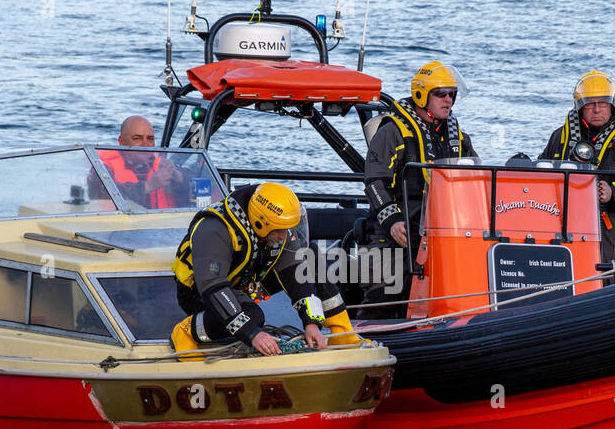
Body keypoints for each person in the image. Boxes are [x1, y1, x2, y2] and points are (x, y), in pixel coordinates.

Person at [170, 183, 359, 356]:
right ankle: (186, 330)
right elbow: (212, 286)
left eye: (288, 229)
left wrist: (311, 322)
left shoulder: (274, 229)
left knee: (310, 255)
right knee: (253, 318)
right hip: (201, 292)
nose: (284, 236)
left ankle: (343, 334)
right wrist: (252, 333)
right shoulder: (214, 229)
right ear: (261, 222)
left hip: (242, 281)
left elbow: (295, 275)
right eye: (280, 231)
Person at [361, 61, 477, 316]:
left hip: (443, 229)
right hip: (398, 229)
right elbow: (374, 182)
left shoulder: (457, 135)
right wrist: (392, 221)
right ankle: (371, 331)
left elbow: (475, 174)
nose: (448, 100)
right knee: (383, 295)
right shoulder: (393, 132)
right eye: (441, 94)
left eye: (452, 94)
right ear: (421, 95)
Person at [539, 70, 615, 267]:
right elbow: (541, 173)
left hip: (611, 221)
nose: (596, 110)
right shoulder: (560, 138)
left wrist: (614, 194)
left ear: (612, 105)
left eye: (602, 103)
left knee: (611, 274)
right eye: (590, 104)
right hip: (564, 218)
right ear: (580, 107)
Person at [91, 116, 189, 208]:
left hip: (168, 223)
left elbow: (194, 184)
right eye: (137, 138)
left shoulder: (161, 164)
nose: (145, 144)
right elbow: (101, 195)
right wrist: (149, 185)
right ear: (121, 142)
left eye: (150, 139)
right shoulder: (102, 168)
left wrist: (179, 177)